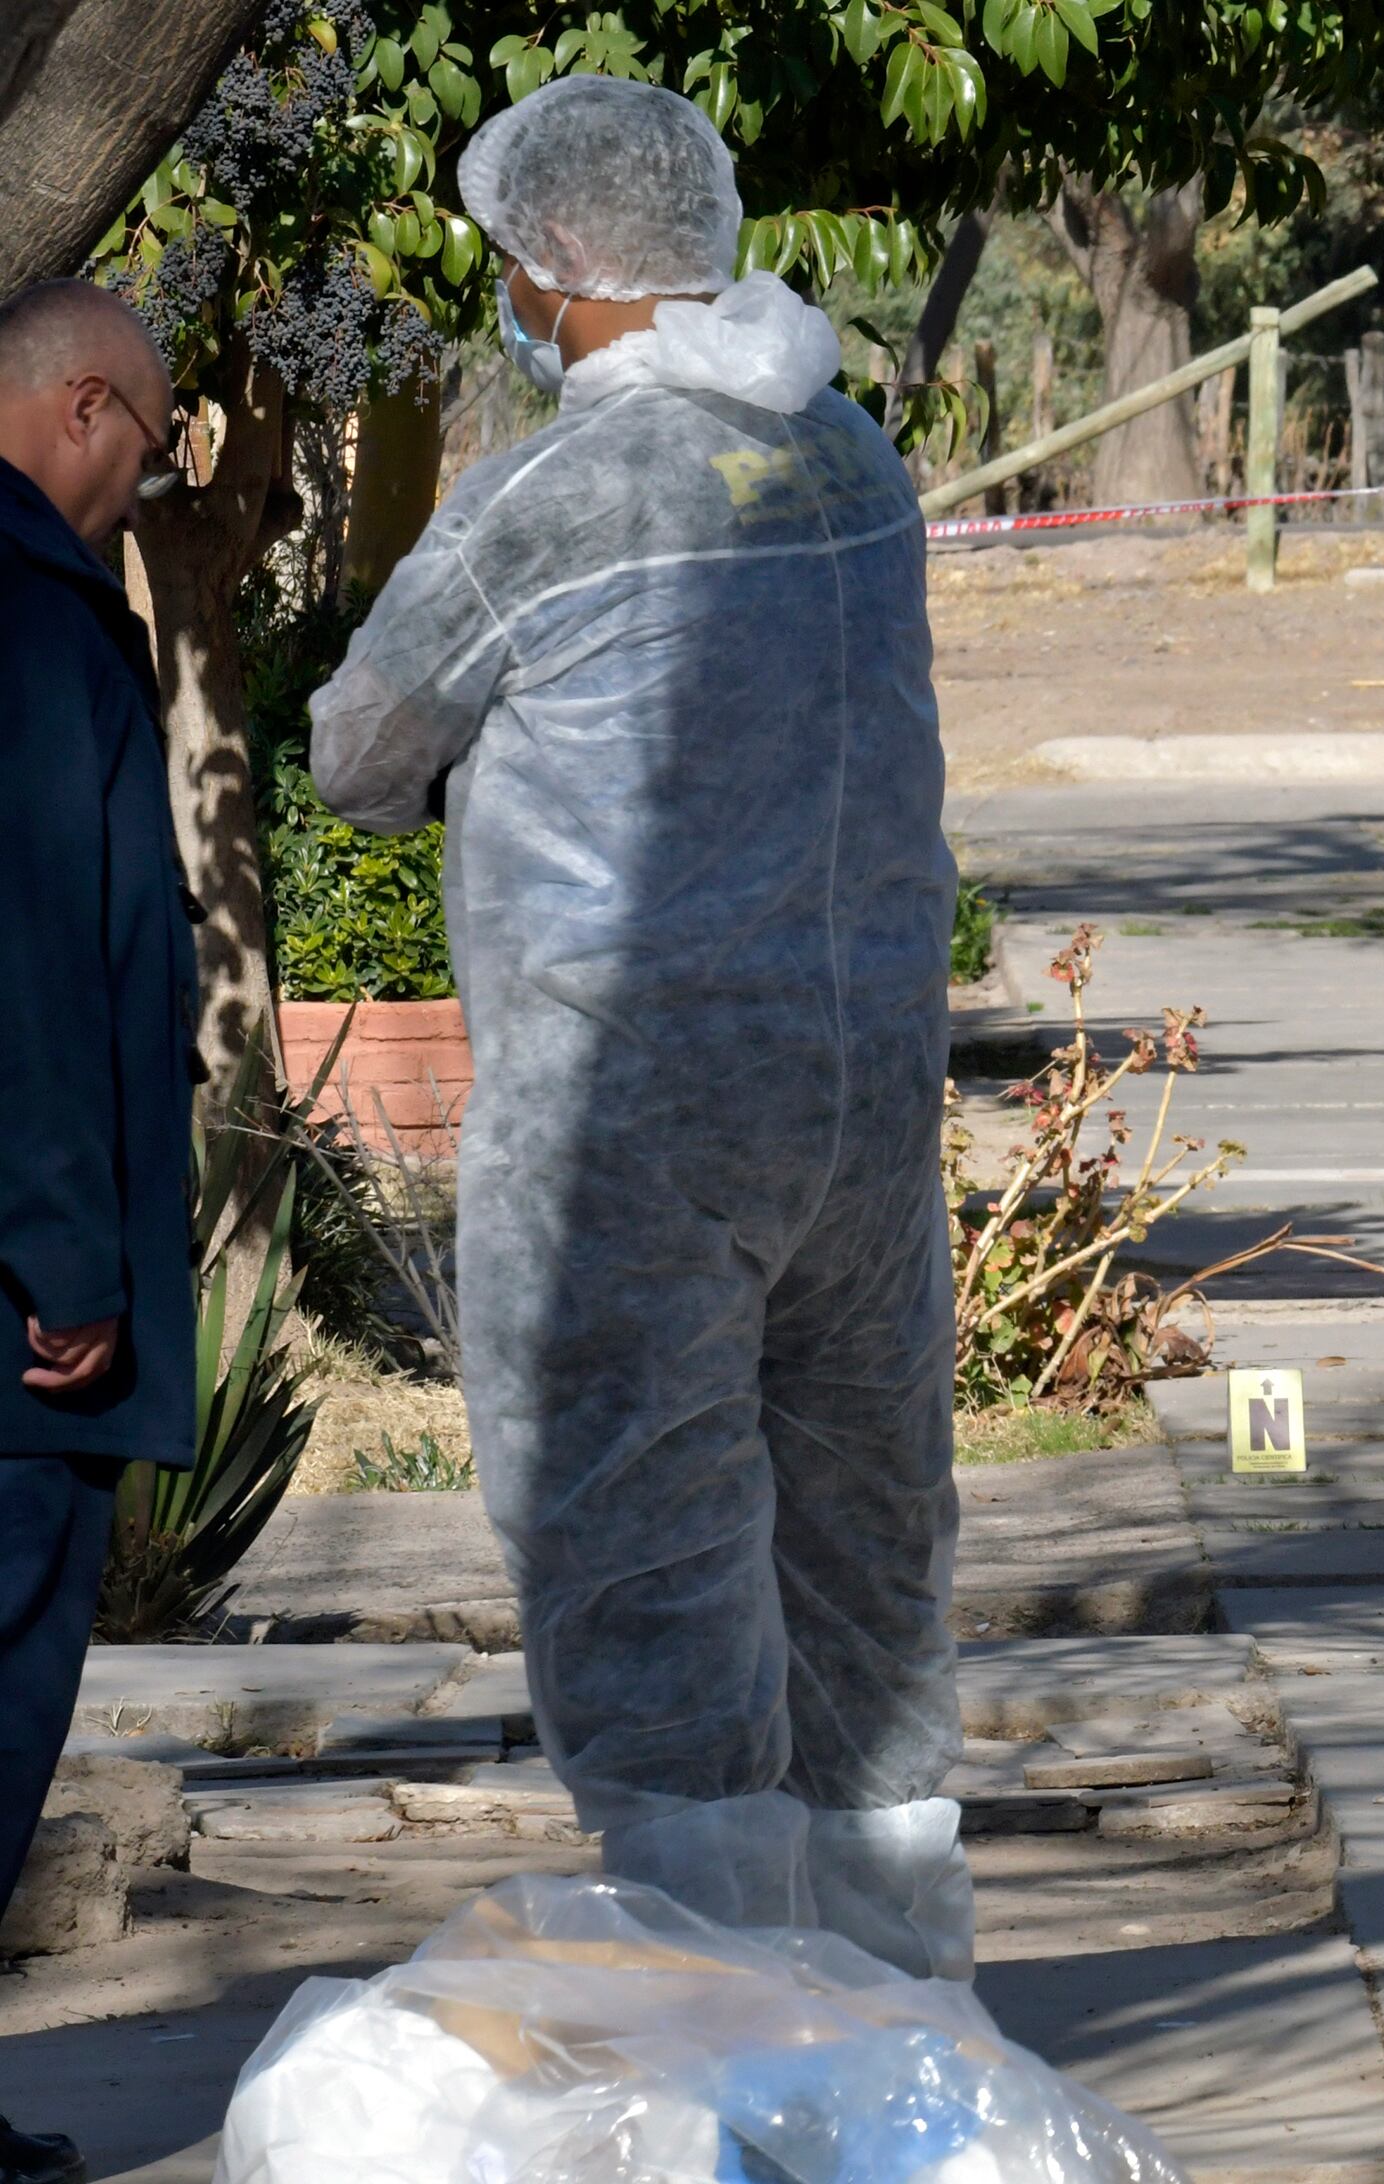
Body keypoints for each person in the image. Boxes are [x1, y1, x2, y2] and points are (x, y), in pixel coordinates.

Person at [309, 77, 971, 1978]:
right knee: (863, 1558)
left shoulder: (548, 499)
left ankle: (713, 2026)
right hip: (854, 1102)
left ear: (562, 266)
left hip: (636, 1114)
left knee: (643, 1557)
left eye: (518, 264)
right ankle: (899, 2012)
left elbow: (360, 750)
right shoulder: (848, 455)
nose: (508, 293)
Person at [0, 277, 195, 2184]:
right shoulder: (36, 632)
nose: (154, 480)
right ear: (83, 404)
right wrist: (69, 1262)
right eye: (155, 437)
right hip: (14, 1324)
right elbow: (33, 971)